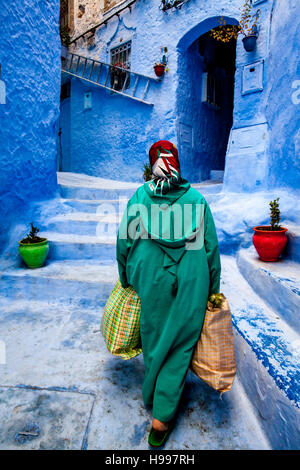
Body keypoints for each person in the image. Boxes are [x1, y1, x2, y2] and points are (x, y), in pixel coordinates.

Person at [116, 140, 221, 447]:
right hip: (190, 278)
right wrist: (213, 290)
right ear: (177, 164)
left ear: (153, 166)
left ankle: (153, 395)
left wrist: (125, 277)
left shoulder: (140, 196)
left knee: (154, 336)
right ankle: (162, 418)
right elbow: (210, 249)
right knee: (180, 344)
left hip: (150, 276)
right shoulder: (196, 200)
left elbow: (124, 241)